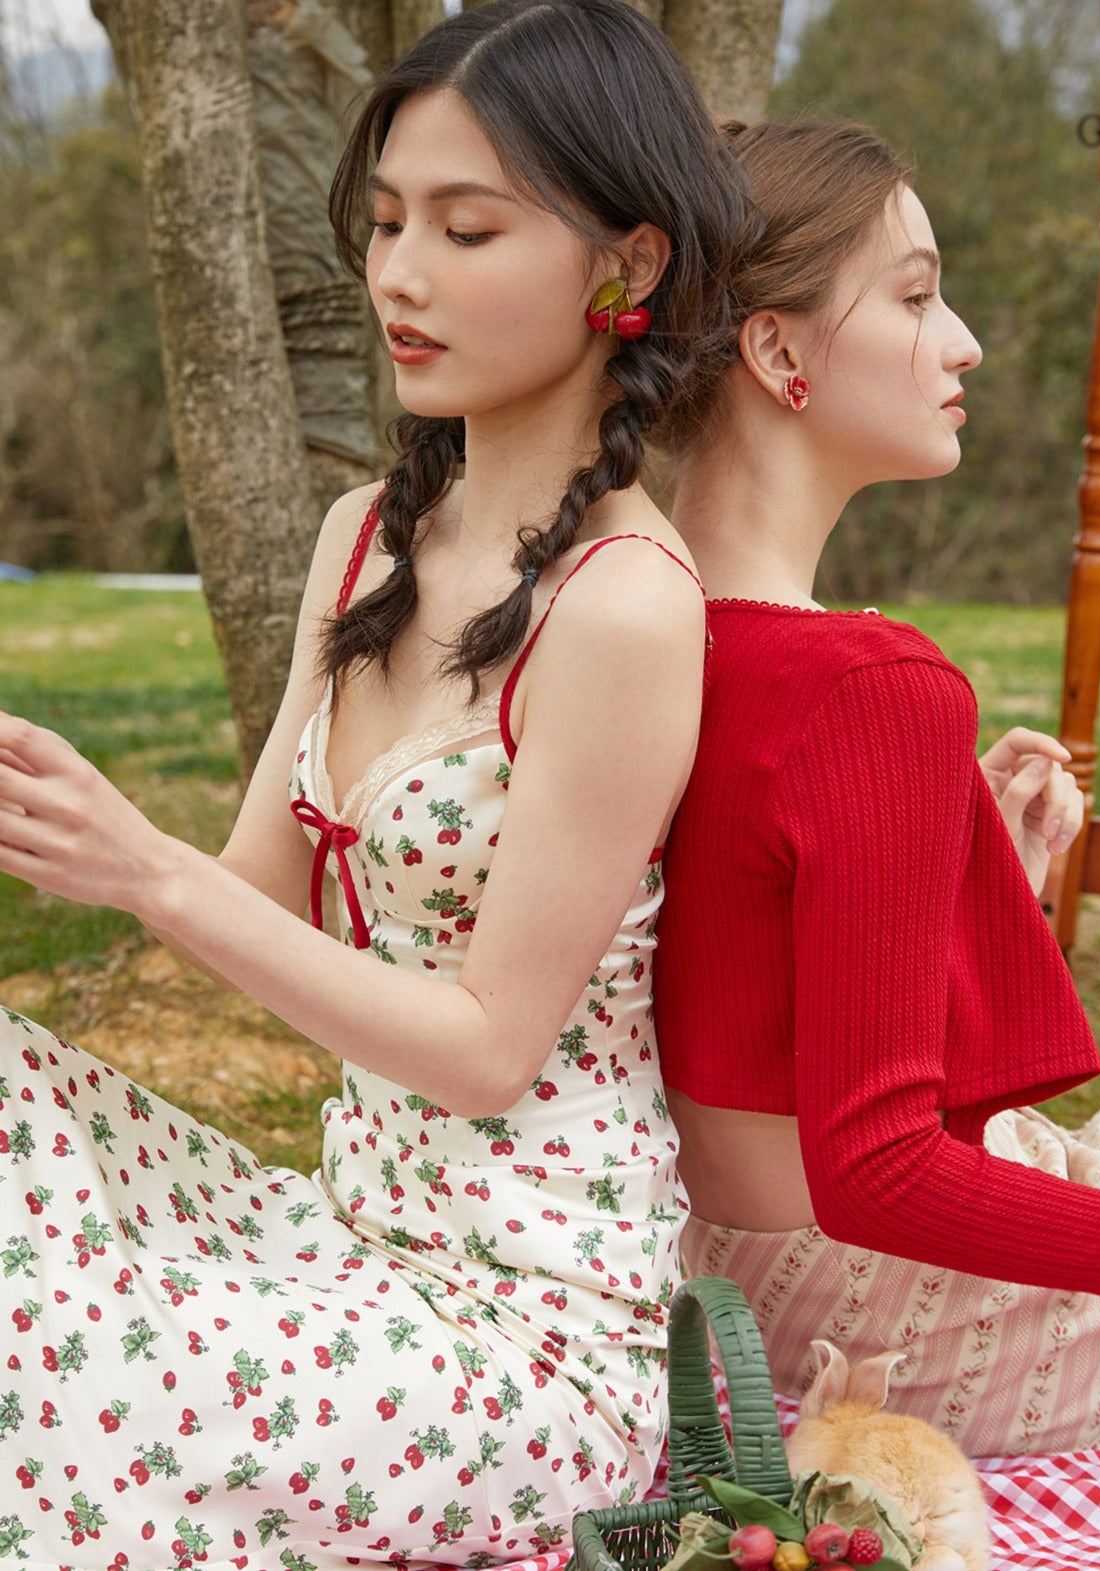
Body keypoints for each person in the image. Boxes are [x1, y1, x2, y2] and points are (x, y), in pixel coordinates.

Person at [0, 3, 749, 1563]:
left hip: (534, 1335)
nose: (400, 273)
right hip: (347, 1233)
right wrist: (80, 845)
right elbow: (253, 892)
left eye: (468, 229)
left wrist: (145, 867)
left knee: (108, 1400)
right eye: (391, 220)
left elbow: (486, 1053)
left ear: (630, 264)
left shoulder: (622, 605)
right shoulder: (364, 535)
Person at [654, 116, 1100, 1459]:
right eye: (918, 296)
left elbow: (730, 966)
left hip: (712, 1292)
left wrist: (963, 849)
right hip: (909, 1329)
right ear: (776, 352)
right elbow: (879, 1172)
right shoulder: (866, 686)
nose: (964, 345)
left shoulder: (619, 624)